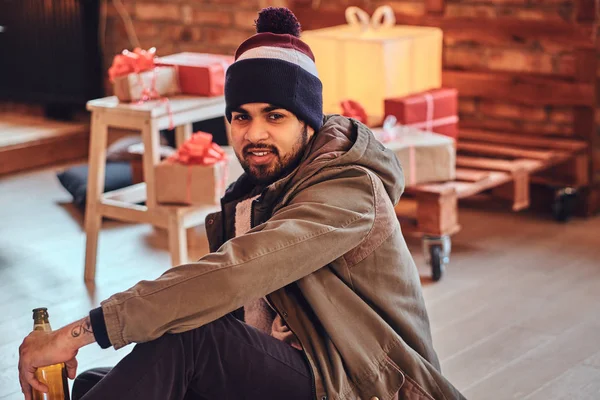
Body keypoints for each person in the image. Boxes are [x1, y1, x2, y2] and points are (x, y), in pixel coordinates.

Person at [18, 7, 465, 400]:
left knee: (189, 342)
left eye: (275, 116)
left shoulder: (348, 190)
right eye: (241, 117)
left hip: (360, 384)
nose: (254, 135)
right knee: (97, 383)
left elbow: (236, 271)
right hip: (300, 365)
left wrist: (81, 332)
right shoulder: (257, 190)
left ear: (308, 120)